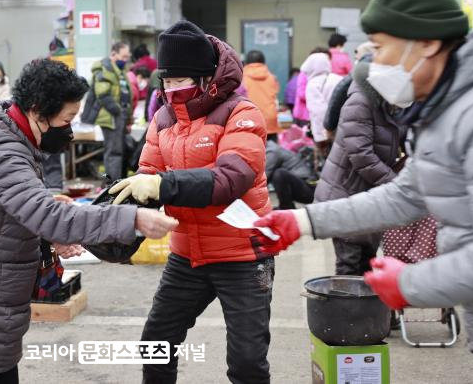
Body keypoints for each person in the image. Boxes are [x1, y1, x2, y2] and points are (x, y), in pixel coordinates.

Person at [254, 0, 473, 381]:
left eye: (381, 47)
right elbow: (404, 195)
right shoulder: (444, 109)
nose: (375, 62)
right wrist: (302, 220)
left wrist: (409, 283)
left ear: (427, 43)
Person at [0, 58, 177, 384]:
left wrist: (45, 219)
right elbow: (49, 216)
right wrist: (132, 218)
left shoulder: (9, 136)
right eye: (67, 119)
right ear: (37, 111)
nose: (69, 130)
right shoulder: (4, 153)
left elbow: (16, 208)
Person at [109, 21, 276, 384]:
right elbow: (148, 176)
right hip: (187, 255)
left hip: (243, 255)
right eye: (166, 82)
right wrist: (113, 219)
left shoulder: (241, 114)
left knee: (247, 362)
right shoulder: (162, 120)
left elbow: (231, 179)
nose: (171, 90)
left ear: (205, 78)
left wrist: (163, 185)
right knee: (156, 344)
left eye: (180, 81)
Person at [315, 58, 407, 276]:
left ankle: (362, 300)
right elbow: (361, 154)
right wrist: (394, 182)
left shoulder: (387, 103)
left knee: (367, 263)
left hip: (369, 193)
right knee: (349, 264)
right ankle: (345, 300)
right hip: (346, 192)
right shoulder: (360, 101)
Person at [86, 41, 133, 180]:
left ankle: (120, 181)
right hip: (111, 117)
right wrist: (118, 112)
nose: (125, 60)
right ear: (114, 54)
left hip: (120, 116)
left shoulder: (120, 71)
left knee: (122, 150)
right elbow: (103, 95)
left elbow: (125, 93)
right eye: (123, 56)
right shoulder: (105, 69)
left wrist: (127, 118)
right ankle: (111, 184)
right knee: (114, 152)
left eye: (127, 57)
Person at [323, 43, 375, 135]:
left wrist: (329, 126)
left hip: (356, 122)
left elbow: (339, 93)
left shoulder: (358, 72)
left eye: (357, 58)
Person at [302, 51, 343, 159]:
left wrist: (321, 137)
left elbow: (318, 112)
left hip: (328, 131)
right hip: (343, 127)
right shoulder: (338, 79)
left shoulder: (313, 84)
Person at [266, 139, 316, 210]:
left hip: (309, 189)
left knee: (279, 174)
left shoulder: (272, 151)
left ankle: (286, 207)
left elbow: (264, 177)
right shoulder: (270, 148)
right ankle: (286, 207)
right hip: (303, 186)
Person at [242, 49, 281, 138]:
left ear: (246, 62)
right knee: (271, 146)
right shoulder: (272, 78)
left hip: (250, 119)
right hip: (270, 119)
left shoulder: (241, 78)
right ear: (263, 62)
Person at [293, 47, 329, 126]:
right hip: (304, 115)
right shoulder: (304, 74)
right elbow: (301, 93)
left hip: (318, 114)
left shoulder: (327, 76)